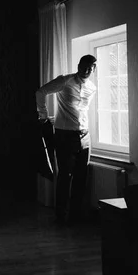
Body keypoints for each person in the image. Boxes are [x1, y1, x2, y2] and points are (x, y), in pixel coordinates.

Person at [35, 55, 97, 224]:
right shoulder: (65, 81)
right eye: (83, 67)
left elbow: (82, 110)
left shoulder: (92, 87)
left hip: (85, 135)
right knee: (65, 176)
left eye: (90, 68)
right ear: (78, 65)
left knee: (81, 177)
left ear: (93, 69)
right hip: (65, 135)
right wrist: (44, 116)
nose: (86, 71)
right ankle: (61, 216)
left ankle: (75, 215)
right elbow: (41, 92)